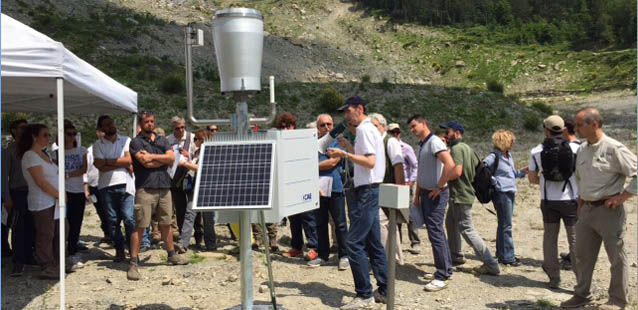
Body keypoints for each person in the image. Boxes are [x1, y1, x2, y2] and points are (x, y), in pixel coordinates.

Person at [560, 108, 637, 310]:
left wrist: (622, 197)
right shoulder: (583, 149)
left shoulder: (614, 149)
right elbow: (580, 180)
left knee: (616, 257)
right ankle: (583, 295)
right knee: (581, 255)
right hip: (586, 210)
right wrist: (580, 205)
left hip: (608, 211)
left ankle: (618, 300)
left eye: (579, 125)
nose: (575, 129)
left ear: (594, 124)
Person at [327, 96, 388, 308]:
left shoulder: (364, 129)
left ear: (359, 109)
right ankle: (385, 289)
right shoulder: (370, 129)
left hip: (366, 192)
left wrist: (344, 153)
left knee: (353, 243)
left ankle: (364, 295)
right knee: (373, 242)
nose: (346, 115)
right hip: (371, 190)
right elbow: (368, 159)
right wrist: (349, 149)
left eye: (348, 111)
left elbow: (370, 162)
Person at [128, 111, 189, 281]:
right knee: (141, 225)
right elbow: (144, 163)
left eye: (152, 121)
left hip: (164, 187)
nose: (150, 124)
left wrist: (154, 157)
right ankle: (133, 261)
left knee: (166, 223)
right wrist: (161, 160)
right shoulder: (136, 142)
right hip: (145, 189)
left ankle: (171, 254)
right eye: (147, 121)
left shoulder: (162, 140)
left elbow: (171, 159)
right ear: (141, 124)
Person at [440, 121, 500, 276]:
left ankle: (491, 264)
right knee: (451, 223)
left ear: (457, 133)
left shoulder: (457, 149)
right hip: (464, 194)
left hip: (460, 195)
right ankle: (456, 256)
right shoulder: (468, 148)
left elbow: (457, 171)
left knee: (467, 230)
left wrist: (441, 183)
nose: (446, 134)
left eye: (448, 131)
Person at [528, 115, 579, 288]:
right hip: (571, 199)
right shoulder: (575, 149)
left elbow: (532, 178)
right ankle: (581, 279)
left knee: (550, 238)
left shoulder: (536, 151)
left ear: (546, 129)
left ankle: (554, 277)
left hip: (548, 200)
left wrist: (545, 182)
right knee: (574, 238)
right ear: (564, 128)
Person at [407, 115, 454, 292]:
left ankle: (443, 275)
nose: (412, 130)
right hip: (426, 194)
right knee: (436, 232)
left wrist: (440, 186)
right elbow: (422, 172)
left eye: (414, 126)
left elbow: (449, 164)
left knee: (435, 232)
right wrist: (418, 194)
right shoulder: (423, 144)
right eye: (410, 128)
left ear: (424, 123)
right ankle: (445, 270)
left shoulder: (434, 142)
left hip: (435, 195)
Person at [18, 124, 67, 279]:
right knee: (46, 233)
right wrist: (58, 194)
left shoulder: (44, 154)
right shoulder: (30, 155)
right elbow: (40, 181)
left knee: (62, 230)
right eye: (45, 135)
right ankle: (46, 265)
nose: (48, 138)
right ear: (34, 137)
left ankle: (59, 262)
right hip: (42, 201)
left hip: (54, 200)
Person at [307, 114, 349, 270]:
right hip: (318, 188)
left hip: (335, 187)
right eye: (323, 125)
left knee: (340, 223)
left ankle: (344, 255)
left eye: (329, 124)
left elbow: (333, 162)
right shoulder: (313, 143)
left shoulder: (338, 141)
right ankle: (323, 255)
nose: (327, 127)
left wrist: (313, 165)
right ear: (318, 127)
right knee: (320, 223)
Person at [93, 115, 136, 263]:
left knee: (129, 218)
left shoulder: (125, 140)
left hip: (125, 184)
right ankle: (119, 250)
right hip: (106, 186)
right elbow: (98, 165)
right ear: (101, 129)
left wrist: (107, 162)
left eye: (111, 123)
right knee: (112, 220)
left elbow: (128, 160)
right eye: (106, 124)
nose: (110, 126)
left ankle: (132, 250)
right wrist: (120, 163)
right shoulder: (97, 145)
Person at [277, 113, 319, 260]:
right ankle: (297, 247)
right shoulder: (281, 143)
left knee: (308, 218)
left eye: (288, 126)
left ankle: (313, 247)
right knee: (294, 218)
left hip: (304, 184)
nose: (286, 129)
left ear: (294, 126)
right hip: (289, 185)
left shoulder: (303, 140)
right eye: (283, 127)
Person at [483, 129, 528, 267]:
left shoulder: (508, 155)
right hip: (501, 193)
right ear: (504, 141)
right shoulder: (493, 156)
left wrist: (522, 172)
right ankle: (507, 257)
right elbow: (481, 169)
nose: (513, 142)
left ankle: (501, 253)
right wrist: (495, 182)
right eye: (511, 140)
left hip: (509, 192)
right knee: (506, 225)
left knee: (503, 224)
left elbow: (511, 174)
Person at [368, 113, 406, 266]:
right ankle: (394, 258)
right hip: (378, 189)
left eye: (375, 126)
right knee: (387, 224)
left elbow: (398, 166)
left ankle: (387, 258)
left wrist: (400, 190)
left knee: (384, 224)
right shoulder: (376, 142)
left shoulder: (390, 142)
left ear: (383, 126)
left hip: (389, 188)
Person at [2, 119, 37, 276]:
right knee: (18, 228)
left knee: (32, 226)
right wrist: (7, 198)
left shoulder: (32, 149)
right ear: (14, 130)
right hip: (17, 193)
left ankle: (29, 256)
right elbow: (3, 177)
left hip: (33, 192)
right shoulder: (9, 151)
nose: (25, 130)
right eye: (22, 128)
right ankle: (18, 261)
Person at [53, 120, 88, 270]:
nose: (72, 137)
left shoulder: (81, 151)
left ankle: (72, 250)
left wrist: (67, 175)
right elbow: (55, 171)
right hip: (63, 191)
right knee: (63, 223)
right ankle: (60, 251)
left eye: (74, 134)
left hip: (78, 190)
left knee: (76, 222)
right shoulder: (56, 152)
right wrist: (69, 175)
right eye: (69, 134)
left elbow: (83, 169)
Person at [177, 129, 218, 251]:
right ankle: (184, 243)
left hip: (206, 187)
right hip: (196, 186)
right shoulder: (197, 152)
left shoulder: (209, 153)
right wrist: (188, 157)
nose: (194, 142)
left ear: (201, 140)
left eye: (196, 139)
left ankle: (210, 244)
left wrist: (184, 164)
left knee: (207, 216)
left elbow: (201, 168)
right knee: (191, 214)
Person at [387, 123, 421, 253]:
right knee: (394, 216)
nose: (395, 134)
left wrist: (412, 181)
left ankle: (415, 241)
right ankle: (398, 243)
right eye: (392, 132)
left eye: (397, 132)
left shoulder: (406, 148)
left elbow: (415, 165)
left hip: (405, 185)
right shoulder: (385, 147)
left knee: (410, 214)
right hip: (392, 185)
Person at [167, 116, 196, 253]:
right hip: (175, 178)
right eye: (177, 128)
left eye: (182, 127)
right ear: (173, 128)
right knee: (180, 209)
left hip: (190, 177)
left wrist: (187, 155)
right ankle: (182, 238)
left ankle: (198, 237)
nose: (180, 130)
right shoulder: (168, 140)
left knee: (192, 210)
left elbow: (197, 156)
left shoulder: (192, 138)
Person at [85, 129, 111, 246]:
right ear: (97, 132)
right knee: (101, 211)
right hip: (95, 185)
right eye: (101, 131)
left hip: (109, 184)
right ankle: (107, 233)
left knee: (111, 211)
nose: (104, 133)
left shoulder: (112, 149)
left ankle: (114, 233)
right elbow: (85, 170)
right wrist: (86, 188)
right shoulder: (90, 151)